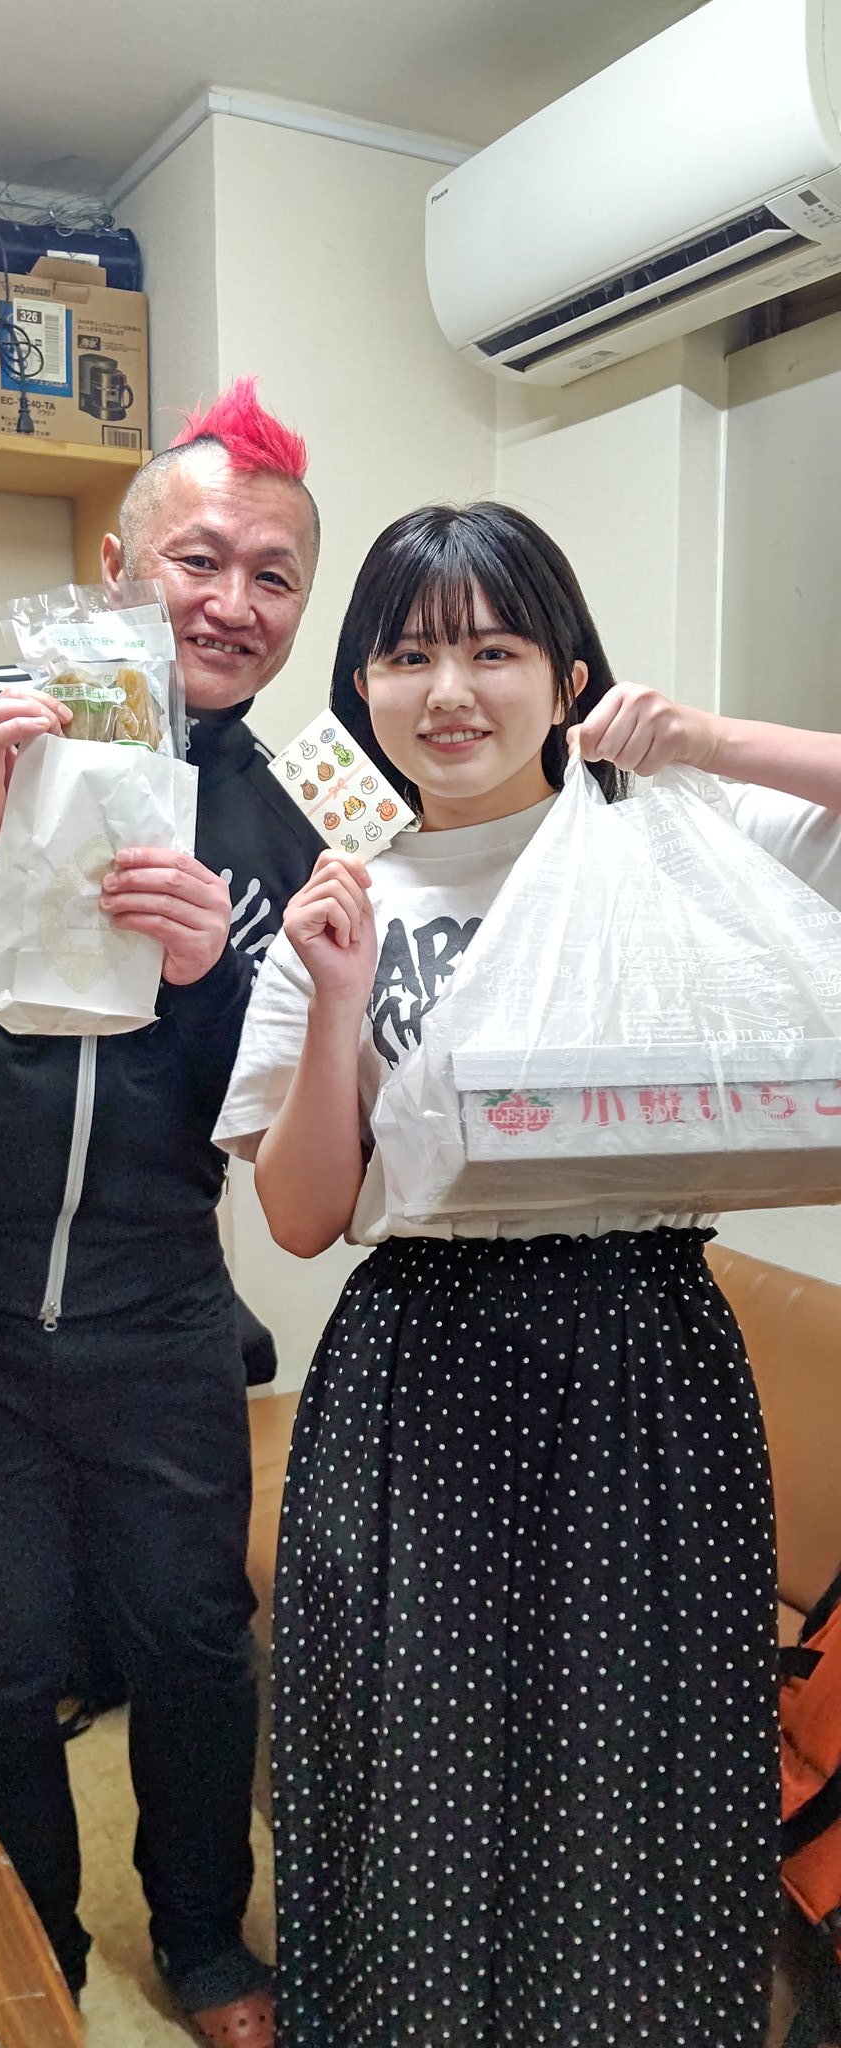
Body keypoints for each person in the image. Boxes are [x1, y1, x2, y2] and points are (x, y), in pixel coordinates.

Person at [212, 500, 841, 2048]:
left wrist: (709, 740)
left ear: (568, 678)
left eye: (494, 651)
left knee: (636, 1764)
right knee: (414, 1764)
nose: (449, 692)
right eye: (408, 655)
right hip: (418, 1368)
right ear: (361, 689)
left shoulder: (672, 836)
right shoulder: (344, 897)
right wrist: (340, 995)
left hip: (644, 1357)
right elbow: (302, 1217)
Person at [0, 379, 323, 2046]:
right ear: (117, 563)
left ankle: (203, 1941)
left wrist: (211, 972)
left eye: (272, 576)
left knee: (194, 1643)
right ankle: (24, 1946)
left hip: (160, 1312)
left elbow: (269, 1125)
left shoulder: (280, 827)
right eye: (200, 558)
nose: (231, 602)